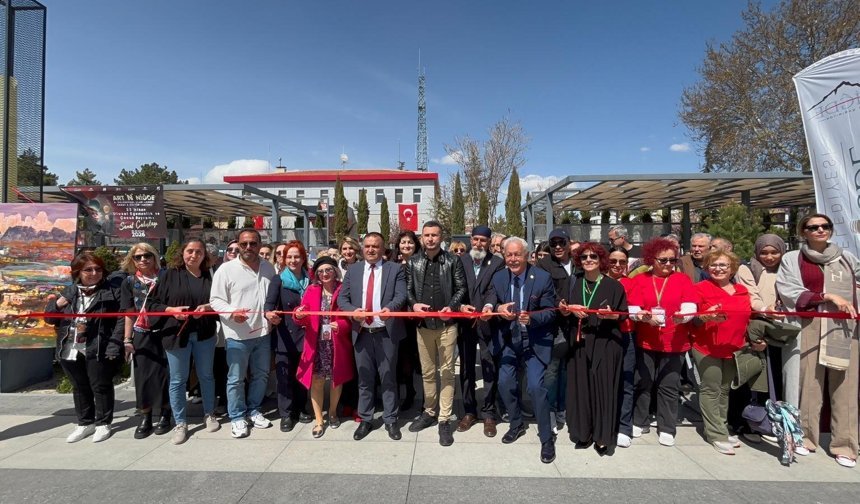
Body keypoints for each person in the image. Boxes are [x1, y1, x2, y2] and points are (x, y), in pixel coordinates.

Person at [776, 213, 859, 467]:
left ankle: (844, 444)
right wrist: (827, 296)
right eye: (813, 227)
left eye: (825, 226)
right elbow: (788, 288)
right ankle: (805, 437)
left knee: (845, 388)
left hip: (843, 328)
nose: (820, 230)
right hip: (808, 325)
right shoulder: (793, 258)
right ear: (804, 232)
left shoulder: (846, 258)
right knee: (808, 385)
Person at [481, 237, 557, 463]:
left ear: (527, 255)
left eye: (517, 255)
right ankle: (516, 423)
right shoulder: (499, 276)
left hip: (533, 341)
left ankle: (546, 438)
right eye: (508, 255)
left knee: (535, 387)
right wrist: (494, 307)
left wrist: (532, 318)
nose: (512, 259)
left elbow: (551, 311)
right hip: (508, 341)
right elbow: (491, 298)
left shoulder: (542, 278)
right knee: (505, 383)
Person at [46, 252, 124, 443]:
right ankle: (84, 422)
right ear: (78, 272)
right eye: (88, 270)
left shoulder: (112, 291)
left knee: (100, 384)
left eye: (98, 269)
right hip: (70, 344)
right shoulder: (70, 292)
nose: (94, 273)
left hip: (98, 344)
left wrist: (114, 344)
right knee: (79, 386)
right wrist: (57, 304)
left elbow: (122, 319)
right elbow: (49, 318)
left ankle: (103, 423)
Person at [337, 232, 408, 441]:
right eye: (367, 246)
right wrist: (352, 311)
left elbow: (401, 294)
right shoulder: (354, 270)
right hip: (362, 333)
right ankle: (366, 418)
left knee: (388, 377)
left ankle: (391, 419)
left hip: (386, 332)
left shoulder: (395, 269)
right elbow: (343, 297)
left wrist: (390, 308)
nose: (370, 250)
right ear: (362, 248)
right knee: (364, 378)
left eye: (375, 246)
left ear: (382, 248)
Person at [626, 237, 697, 447]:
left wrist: (682, 317)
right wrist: (643, 316)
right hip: (647, 340)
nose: (668, 264)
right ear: (652, 260)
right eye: (663, 260)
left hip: (674, 342)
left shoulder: (682, 280)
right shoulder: (640, 280)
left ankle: (667, 426)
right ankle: (640, 420)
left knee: (669, 384)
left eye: (672, 260)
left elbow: (690, 306)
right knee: (643, 382)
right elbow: (633, 308)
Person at [149, 239, 220, 444]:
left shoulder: (210, 276)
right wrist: (171, 311)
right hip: (176, 334)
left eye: (199, 252)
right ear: (183, 253)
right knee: (178, 379)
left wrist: (206, 308)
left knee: (206, 375)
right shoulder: (168, 275)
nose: (194, 255)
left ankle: (209, 414)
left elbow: (219, 303)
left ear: (204, 255)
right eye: (190, 251)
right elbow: (152, 303)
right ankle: (180, 422)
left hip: (204, 333)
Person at [210, 229, 278, 439]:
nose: (249, 247)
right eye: (244, 244)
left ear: (259, 245)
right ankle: (237, 416)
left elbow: (272, 297)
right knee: (236, 379)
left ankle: (254, 409)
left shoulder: (269, 268)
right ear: (238, 245)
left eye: (253, 243)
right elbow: (216, 300)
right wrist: (231, 313)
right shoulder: (226, 269)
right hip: (238, 335)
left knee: (261, 375)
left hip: (263, 333)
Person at [560, 242, 628, 454]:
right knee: (581, 390)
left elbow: (623, 315)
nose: (588, 260)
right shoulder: (572, 282)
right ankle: (583, 433)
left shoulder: (614, 286)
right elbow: (560, 308)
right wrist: (569, 309)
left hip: (605, 344)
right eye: (584, 257)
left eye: (593, 257)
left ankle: (602, 436)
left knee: (603, 390)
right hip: (579, 344)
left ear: (601, 260)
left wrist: (611, 315)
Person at [405, 221, 467, 446]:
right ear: (421, 237)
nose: (430, 239)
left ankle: (444, 419)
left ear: (441, 237)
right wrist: (413, 305)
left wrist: (451, 305)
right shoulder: (413, 262)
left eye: (434, 235)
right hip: (423, 326)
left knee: (448, 372)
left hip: (447, 325)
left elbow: (461, 287)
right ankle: (429, 412)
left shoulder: (452, 260)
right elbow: (408, 290)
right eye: (426, 235)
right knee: (428, 372)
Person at [690, 249, 751, 455]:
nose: (718, 269)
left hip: (734, 348)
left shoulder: (742, 290)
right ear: (707, 269)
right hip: (707, 348)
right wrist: (705, 317)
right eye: (713, 265)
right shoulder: (700, 289)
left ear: (732, 268)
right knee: (711, 389)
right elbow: (693, 320)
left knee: (725, 390)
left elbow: (748, 318)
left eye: (723, 265)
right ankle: (715, 433)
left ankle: (721, 427)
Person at [293, 256, 354, 438]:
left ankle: (333, 412)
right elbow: (300, 316)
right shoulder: (312, 290)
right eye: (320, 271)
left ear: (335, 271)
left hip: (337, 342)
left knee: (336, 380)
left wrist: (342, 326)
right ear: (316, 274)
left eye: (328, 270)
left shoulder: (344, 289)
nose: (325, 274)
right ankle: (319, 420)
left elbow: (351, 317)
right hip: (316, 343)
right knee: (317, 381)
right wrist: (298, 314)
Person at [457, 225, 505, 437]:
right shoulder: (460, 260)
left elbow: (495, 289)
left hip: (488, 323)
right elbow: (456, 287)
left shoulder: (497, 262)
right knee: (466, 367)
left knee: (489, 367)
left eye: (483, 240)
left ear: (489, 241)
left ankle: (488, 413)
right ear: (470, 240)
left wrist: (488, 307)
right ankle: (469, 411)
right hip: (465, 323)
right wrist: (460, 306)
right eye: (475, 239)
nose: (478, 244)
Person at [120, 242, 171, 439]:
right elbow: (129, 313)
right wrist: (127, 339)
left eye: (147, 255)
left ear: (154, 256)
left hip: (166, 329)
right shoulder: (130, 282)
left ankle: (166, 413)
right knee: (143, 376)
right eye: (138, 256)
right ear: (132, 260)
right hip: (142, 331)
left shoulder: (166, 277)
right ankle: (146, 414)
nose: (143, 260)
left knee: (166, 373)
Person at [264, 240, 313, 432]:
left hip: (306, 335)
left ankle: (301, 408)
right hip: (285, 335)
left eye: (297, 256)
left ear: (303, 258)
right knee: (284, 377)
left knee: (302, 375)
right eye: (289, 257)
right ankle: (286, 413)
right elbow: (269, 306)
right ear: (284, 259)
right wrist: (270, 315)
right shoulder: (279, 279)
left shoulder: (310, 279)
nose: (293, 260)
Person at [536, 228, 575, 433]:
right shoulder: (544, 265)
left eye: (562, 242)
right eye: (553, 243)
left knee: (567, 370)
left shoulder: (578, 262)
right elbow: (542, 293)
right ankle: (550, 410)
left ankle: (563, 408)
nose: (558, 247)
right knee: (551, 371)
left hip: (576, 325)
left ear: (569, 243)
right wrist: (558, 305)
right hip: (553, 326)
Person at [606, 247, 636, 448]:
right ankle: (605, 423)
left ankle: (624, 426)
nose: (617, 265)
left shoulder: (633, 284)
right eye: (613, 261)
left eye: (622, 262)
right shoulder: (598, 281)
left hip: (626, 334)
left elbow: (636, 308)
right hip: (602, 336)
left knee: (626, 381)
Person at [396, 230, 422, 410]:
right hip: (398, 318)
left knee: (419, 357)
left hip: (417, 317)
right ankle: (407, 392)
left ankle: (425, 396)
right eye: (403, 242)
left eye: (410, 242)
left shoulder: (422, 262)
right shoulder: (392, 265)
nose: (407, 246)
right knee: (402, 357)